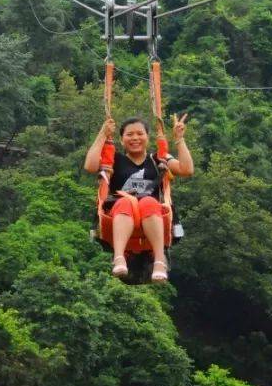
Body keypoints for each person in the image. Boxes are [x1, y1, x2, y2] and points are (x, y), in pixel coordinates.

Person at [83, 114, 194, 282]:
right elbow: (90, 166)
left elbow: (186, 169)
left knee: (149, 202)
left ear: (147, 137)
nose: (135, 138)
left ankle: (159, 260)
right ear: (121, 140)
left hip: (151, 213)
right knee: (126, 201)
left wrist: (179, 139)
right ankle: (119, 258)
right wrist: (103, 134)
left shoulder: (158, 159)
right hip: (120, 211)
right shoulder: (114, 159)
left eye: (140, 134)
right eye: (129, 134)